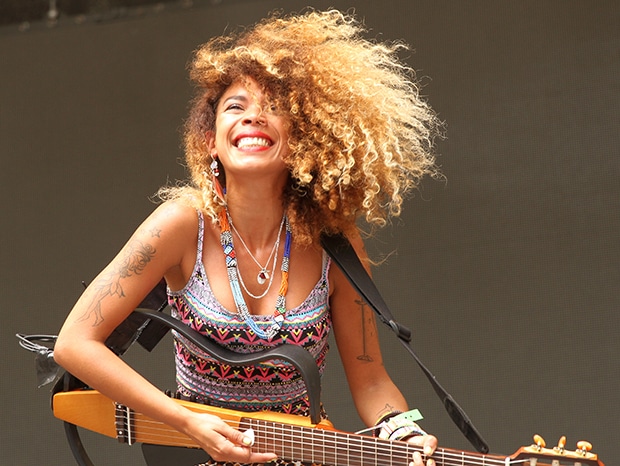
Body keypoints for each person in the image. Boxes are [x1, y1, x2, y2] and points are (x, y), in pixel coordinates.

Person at [54, 9, 441, 466]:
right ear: (211, 141)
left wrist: (403, 430)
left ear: (303, 139)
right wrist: (188, 422)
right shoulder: (181, 225)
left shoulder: (336, 247)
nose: (254, 116)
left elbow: (372, 381)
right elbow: (74, 343)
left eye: (275, 108)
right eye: (235, 107)